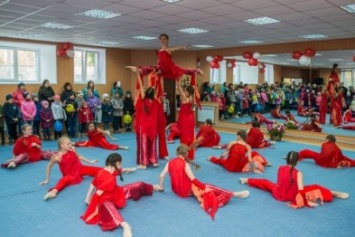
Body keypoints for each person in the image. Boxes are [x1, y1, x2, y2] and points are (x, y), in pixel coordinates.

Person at [158, 144, 250, 220]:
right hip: (186, 190)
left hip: (176, 190)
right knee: (210, 187)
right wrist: (203, 187)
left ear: (177, 153)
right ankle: (233, 194)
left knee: (207, 188)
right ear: (185, 153)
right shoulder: (185, 164)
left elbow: (161, 176)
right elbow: (193, 179)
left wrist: (161, 187)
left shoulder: (170, 162)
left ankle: (231, 194)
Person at [81, 153, 157, 237]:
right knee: (113, 212)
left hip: (116, 192)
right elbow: (97, 194)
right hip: (104, 201)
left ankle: (152, 187)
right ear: (117, 163)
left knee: (137, 185)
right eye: (121, 163)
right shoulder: (108, 178)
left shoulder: (105, 170)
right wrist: (92, 208)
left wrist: (87, 198)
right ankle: (125, 225)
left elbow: (93, 183)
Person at [240, 151, 349, 208]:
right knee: (315, 186)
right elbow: (300, 191)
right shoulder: (298, 173)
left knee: (265, 182)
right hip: (290, 196)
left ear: (287, 159)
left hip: (277, 193)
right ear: (298, 161)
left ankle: (246, 180)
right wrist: (306, 203)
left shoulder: (280, 168)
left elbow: (280, 182)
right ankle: (334, 193)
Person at [127, 66, 159, 169]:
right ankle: (153, 161)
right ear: (153, 95)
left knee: (144, 143)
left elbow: (141, 85)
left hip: (144, 126)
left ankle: (144, 163)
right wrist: (155, 74)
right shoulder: (156, 102)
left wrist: (138, 73)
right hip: (153, 126)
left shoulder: (144, 100)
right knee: (153, 143)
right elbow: (155, 87)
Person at [177, 78, 196, 160]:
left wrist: (178, 80)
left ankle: (184, 154)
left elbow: (179, 88)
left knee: (184, 136)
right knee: (190, 136)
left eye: (186, 91)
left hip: (185, 119)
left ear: (188, 92)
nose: (185, 92)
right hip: (190, 118)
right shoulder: (193, 98)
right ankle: (190, 154)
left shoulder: (185, 98)